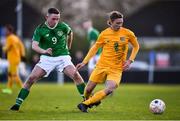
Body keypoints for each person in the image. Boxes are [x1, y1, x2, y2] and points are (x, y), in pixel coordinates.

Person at [10, 7, 86, 111]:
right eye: (53, 18)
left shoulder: (63, 26)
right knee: (31, 79)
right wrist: (44, 51)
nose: (56, 21)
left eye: (58, 19)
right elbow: (34, 46)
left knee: (76, 75)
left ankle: (87, 101)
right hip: (47, 58)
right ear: (47, 17)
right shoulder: (40, 29)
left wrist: (68, 46)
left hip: (62, 57)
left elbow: (70, 33)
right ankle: (17, 104)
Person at [76, 11, 140, 113]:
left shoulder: (128, 33)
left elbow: (136, 46)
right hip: (101, 66)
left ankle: (85, 104)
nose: (120, 25)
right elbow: (95, 48)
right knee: (88, 90)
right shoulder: (104, 34)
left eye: (121, 23)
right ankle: (87, 102)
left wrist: (130, 60)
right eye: (117, 23)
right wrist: (84, 62)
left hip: (116, 68)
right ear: (110, 22)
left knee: (110, 89)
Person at [2, 24, 25, 94]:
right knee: (10, 74)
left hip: (13, 59)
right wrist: (22, 55)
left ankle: (23, 89)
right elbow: (21, 46)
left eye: (5, 30)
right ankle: (9, 89)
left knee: (14, 75)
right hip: (17, 58)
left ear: (9, 31)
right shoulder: (16, 37)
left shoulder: (9, 38)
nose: (5, 32)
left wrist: (3, 48)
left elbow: (7, 48)